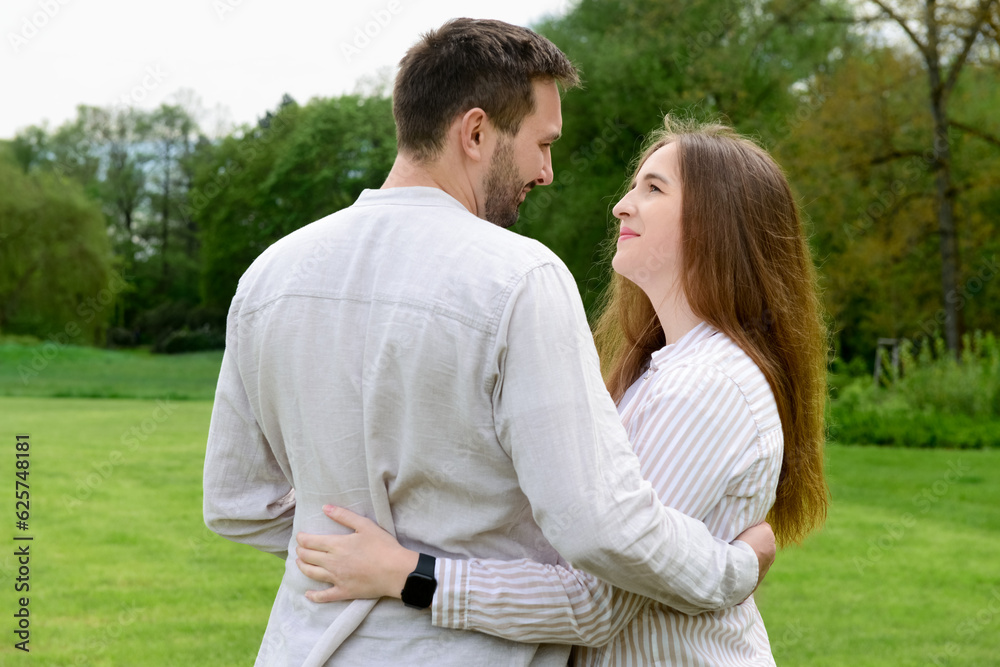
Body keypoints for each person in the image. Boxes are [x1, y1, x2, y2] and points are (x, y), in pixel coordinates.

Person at [203, 19, 774, 667]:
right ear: (475, 133)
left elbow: (235, 504)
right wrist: (732, 567)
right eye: (542, 144)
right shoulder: (520, 278)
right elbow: (599, 525)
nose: (547, 171)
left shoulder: (270, 277)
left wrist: (359, 550)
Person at [294, 118, 829, 665]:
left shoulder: (706, 385)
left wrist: (408, 575)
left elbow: (596, 602)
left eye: (654, 188)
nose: (622, 205)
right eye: (634, 185)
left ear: (719, 223)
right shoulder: (662, 371)